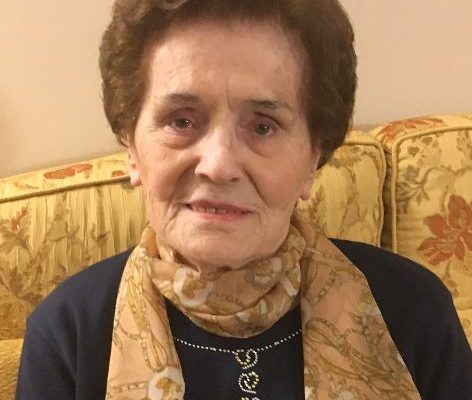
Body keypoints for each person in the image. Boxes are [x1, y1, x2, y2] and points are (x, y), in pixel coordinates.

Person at [16, 0, 472, 399]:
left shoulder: (413, 311)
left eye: (262, 127)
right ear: (132, 148)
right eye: (181, 121)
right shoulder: (67, 335)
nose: (218, 165)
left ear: (313, 158)